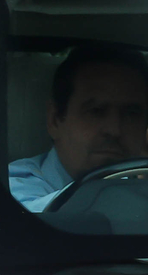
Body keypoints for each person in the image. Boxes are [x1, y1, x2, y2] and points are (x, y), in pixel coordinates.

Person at [11, 42, 148, 210]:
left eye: (131, 114)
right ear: (55, 120)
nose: (114, 130)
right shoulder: (12, 186)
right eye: (96, 111)